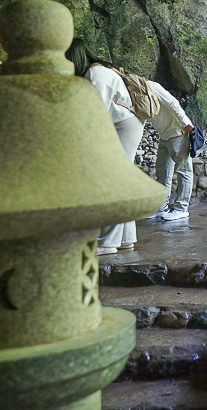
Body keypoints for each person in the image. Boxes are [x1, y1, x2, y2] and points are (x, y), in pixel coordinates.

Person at [66, 38, 142, 255]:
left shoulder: (97, 76)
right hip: (121, 125)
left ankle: (107, 243)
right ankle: (126, 239)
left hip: (123, 127)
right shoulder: (94, 73)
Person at [148, 80, 196, 221]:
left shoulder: (152, 86)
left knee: (184, 170)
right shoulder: (134, 92)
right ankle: (162, 207)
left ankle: (181, 208)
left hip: (177, 133)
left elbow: (172, 103)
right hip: (165, 135)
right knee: (163, 171)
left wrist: (187, 124)